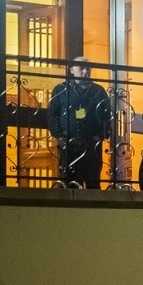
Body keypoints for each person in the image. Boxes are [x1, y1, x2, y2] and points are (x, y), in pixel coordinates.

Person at [47, 57, 111, 190]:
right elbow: (53, 114)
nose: (85, 71)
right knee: (68, 180)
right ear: (71, 70)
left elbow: (107, 115)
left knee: (93, 181)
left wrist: (101, 136)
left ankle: (93, 210)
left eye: (88, 68)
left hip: (91, 143)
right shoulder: (61, 90)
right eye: (81, 68)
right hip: (68, 143)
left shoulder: (98, 91)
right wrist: (59, 136)